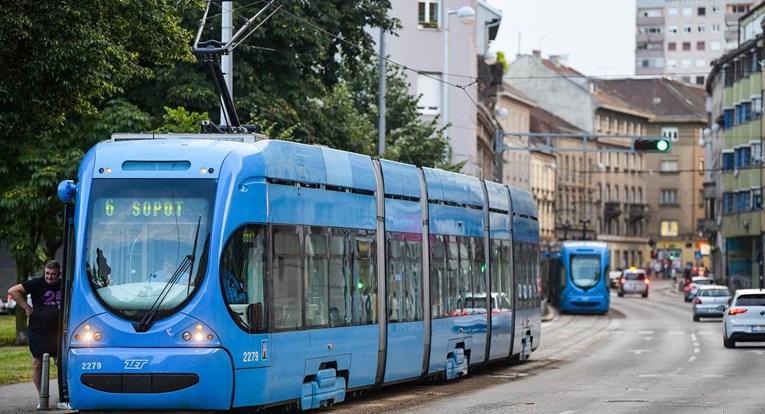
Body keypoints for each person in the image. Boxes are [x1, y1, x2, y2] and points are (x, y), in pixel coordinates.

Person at [7, 260, 62, 401]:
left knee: (62, 363)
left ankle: (66, 397)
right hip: (38, 330)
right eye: (47, 273)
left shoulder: (65, 284)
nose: (49, 277)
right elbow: (12, 291)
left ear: (59, 274)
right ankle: (42, 398)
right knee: (37, 363)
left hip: (59, 331)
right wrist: (26, 307)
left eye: (53, 274)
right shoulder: (37, 283)